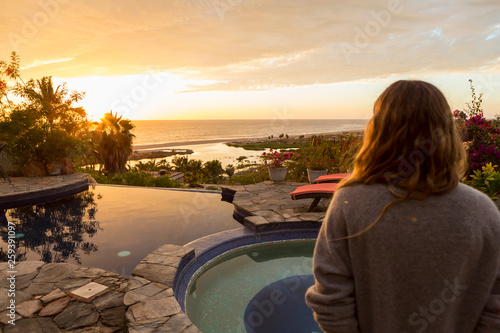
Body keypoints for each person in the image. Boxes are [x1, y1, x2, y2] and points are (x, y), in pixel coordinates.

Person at [305, 80, 500, 332]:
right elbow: (495, 308)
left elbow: (331, 301)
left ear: (378, 131)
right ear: (446, 132)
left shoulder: (350, 203)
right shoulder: (482, 211)